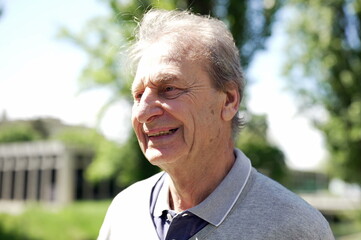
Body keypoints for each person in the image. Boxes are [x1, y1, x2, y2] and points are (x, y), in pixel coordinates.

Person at [97, 9, 334, 240]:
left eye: (168, 89)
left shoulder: (297, 228)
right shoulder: (124, 210)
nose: (143, 112)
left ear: (229, 101)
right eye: (138, 95)